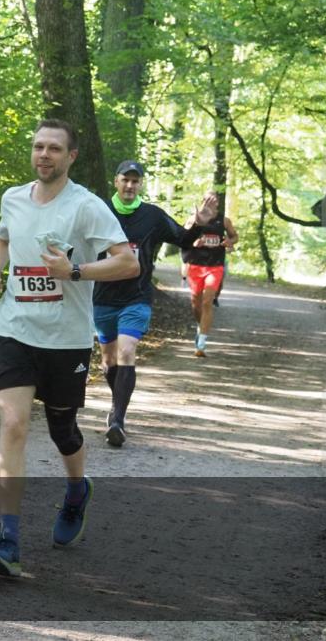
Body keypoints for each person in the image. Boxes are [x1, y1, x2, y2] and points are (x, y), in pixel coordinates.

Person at [0, 120, 140, 577]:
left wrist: (73, 273)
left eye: (53, 148)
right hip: (14, 330)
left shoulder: (86, 206)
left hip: (65, 338)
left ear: (71, 157)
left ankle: (75, 490)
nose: (43, 154)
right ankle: (8, 539)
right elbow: (4, 238)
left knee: (63, 430)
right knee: (12, 423)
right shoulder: (13, 197)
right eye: (37, 147)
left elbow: (128, 262)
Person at [93, 161, 218, 447]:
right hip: (102, 298)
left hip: (137, 297)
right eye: (125, 179)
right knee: (109, 360)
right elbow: (74, 241)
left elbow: (183, 239)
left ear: (140, 185)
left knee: (127, 351)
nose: (129, 186)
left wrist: (199, 223)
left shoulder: (152, 216)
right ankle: (117, 404)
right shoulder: (99, 212)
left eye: (135, 182)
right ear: (116, 181)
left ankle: (118, 421)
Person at [181, 194, 238, 357]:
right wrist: (194, 243)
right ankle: (201, 327)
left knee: (207, 301)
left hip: (215, 266)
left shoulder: (224, 221)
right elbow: (183, 239)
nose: (211, 203)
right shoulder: (193, 219)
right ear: (202, 201)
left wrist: (230, 241)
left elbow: (235, 236)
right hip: (196, 265)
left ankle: (201, 344)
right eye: (207, 200)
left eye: (214, 200)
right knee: (195, 302)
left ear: (218, 203)